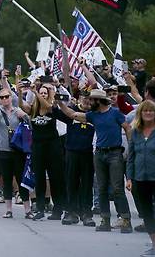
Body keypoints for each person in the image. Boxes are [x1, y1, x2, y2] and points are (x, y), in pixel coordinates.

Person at [57, 89, 132, 233]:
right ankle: (105, 220)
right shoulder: (93, 115)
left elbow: (127, 128)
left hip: (115, 153)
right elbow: (73, 114)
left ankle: (126, 219)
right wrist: (60, 103)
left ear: (99, 101)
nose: (89, 102)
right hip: (99, 154)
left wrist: (130, 149)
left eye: (92, 100)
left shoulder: (115, 113)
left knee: (117, 188)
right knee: (102, 188)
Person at [126, 100, 155, 256]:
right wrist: (129, 177)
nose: (148, 113)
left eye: (151, 111)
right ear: (140, 113)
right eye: (145, 111)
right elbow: (131, 157)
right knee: (146, 213)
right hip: (140, 178)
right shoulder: (136, 132)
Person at [24, 84, 67, 221]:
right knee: (40, 178)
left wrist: (36, 91)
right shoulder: (34, 109)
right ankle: (40, 208)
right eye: (41, 93)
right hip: (38, 147)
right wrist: (20, 92)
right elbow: (21, 105)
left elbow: (48, 106)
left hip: (53, 147)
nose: (42, 95)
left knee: (55, 178)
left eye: (44, 93)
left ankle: (58, 208)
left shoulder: (51, 108)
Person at [0, 87, 33, 219]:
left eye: (6, 96)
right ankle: (8, 209)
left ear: (11, 97)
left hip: (18, 150)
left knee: (21, 180)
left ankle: (27, 209)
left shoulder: (17, 111)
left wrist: (24, 116)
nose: (4, 99)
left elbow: (30, 125)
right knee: (6, 180)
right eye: (2, 97)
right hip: (2, 150)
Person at [56, 90, 96, 227]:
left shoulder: (95, 114)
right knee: (71, 183)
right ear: (79, 98)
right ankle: (70, 212)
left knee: (87, 184)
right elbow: (57, 112)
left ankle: (86, 213)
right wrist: (58, 102)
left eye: (89, 98)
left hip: (89, 153)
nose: (86, 101)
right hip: (72, 152)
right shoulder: (72, 111)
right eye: (84, 98)